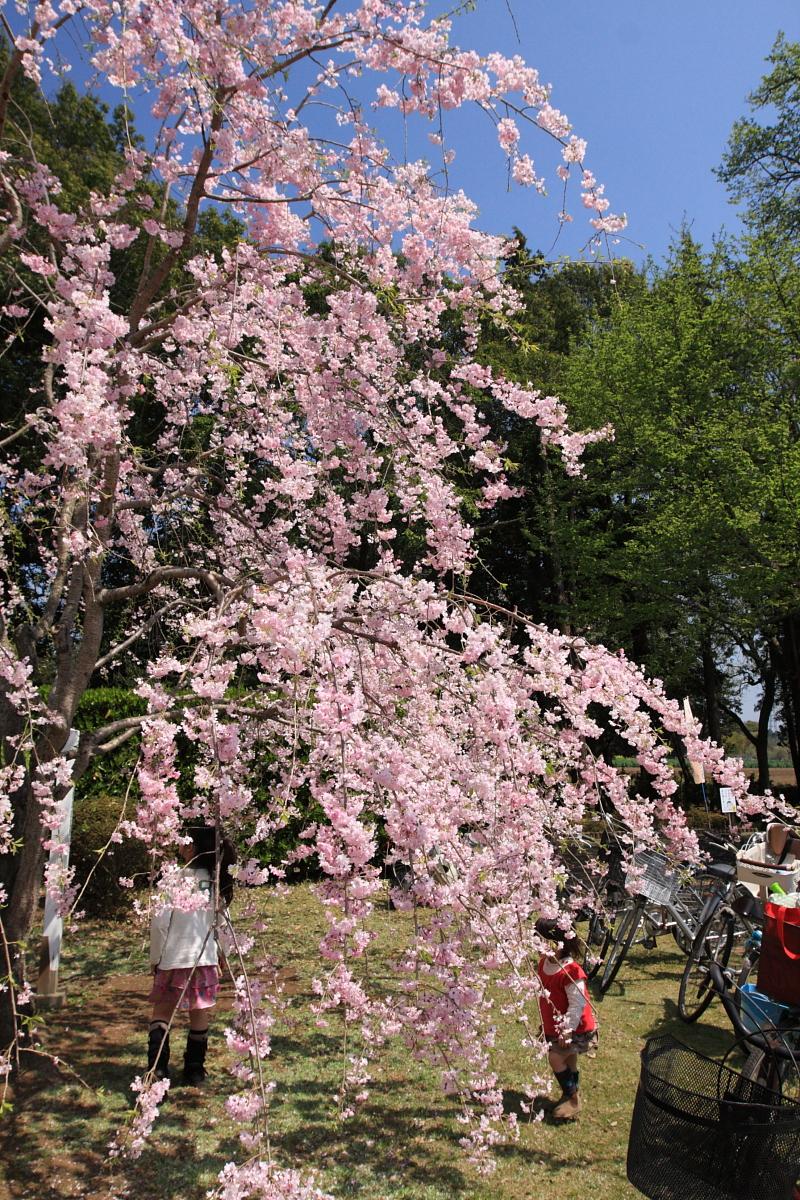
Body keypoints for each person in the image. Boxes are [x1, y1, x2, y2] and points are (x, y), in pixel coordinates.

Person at [146, 825, 236, 1086]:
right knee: (199, 1011)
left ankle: (157, 1070)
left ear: (191, 847)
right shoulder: (214, 881)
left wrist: (155, 958)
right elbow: (222, 923)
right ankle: (194, 1070)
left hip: (173, 958)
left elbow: (159, 924)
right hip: (204, 958)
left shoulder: (172, 879)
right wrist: (222, 954)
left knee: (162, 1011)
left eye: (182, 839)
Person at [535, 918, 598, 1121]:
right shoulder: (544, 964)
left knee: (555, 1058)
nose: (538, 946)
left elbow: (577, 1004)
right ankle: (570, 1093)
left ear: (559, 943)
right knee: (569, 1060)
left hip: (575, 1028)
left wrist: (567, 1029)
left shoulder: (571, 972)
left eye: (543, 942)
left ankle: (573, 1099)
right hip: (555, 1026)